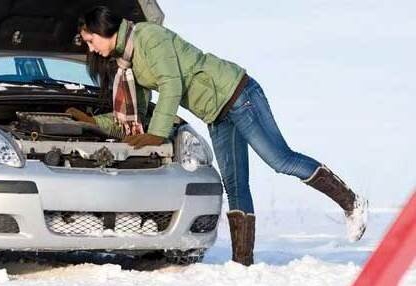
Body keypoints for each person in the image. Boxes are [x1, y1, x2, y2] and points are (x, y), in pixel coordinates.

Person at [67, 6, 367, 266]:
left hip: (238, 94)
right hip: (217, 113)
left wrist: (158, 135)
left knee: (280, 159)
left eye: (91, 41)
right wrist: (94, 122)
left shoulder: (148, 37)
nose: (91, 49)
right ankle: (243, 263)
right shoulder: (128, 64)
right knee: (235, 184)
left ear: (103, 30)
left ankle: (351, 202)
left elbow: (172, 84)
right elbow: (139, 113)